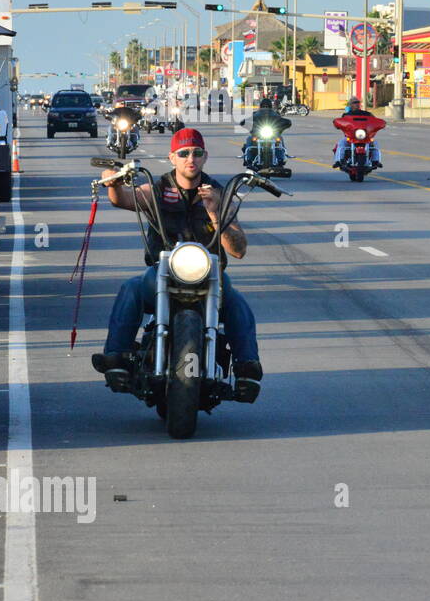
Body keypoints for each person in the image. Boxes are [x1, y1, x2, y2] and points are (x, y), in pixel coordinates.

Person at [91, 128, 263, 401]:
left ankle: (247, 368)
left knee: (236, 301)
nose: (190, 159)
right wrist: (112, 183)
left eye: (196, 153)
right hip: (163, 273)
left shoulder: (220, 194)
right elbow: (121, 198)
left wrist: (214, 210)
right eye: (183, 153)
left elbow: (238, 250)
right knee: (131, 289)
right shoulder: (156, 189)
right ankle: (116, 358)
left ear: (205, 157)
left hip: (210, 276)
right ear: (172, 157)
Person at [331, 97, 384, 168]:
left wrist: (380, 124)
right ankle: (339, 160)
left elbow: (375, 121)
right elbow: (341, 123)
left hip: (365, 137)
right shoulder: (346, 115)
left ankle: (376, 161)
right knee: (341, 143)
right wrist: (338, 124)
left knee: (375, 143)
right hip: (351, 137)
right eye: (354, 102)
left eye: (358, 102)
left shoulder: (367, 114)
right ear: (350, 105)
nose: (356, 104)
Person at [242, 97, 291, 168]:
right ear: (261, 106)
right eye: (264, 106)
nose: (265, 107)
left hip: (272, 133)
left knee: (279, 138)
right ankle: (248, 159)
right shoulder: (255, 114)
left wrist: (286, 122)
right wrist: (244, 121)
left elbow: (282, 120)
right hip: (258, 133)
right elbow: (248, 119)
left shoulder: (275, 114)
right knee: (249, 139)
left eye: (267, 106)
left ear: (270, 107)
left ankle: (281, 158)